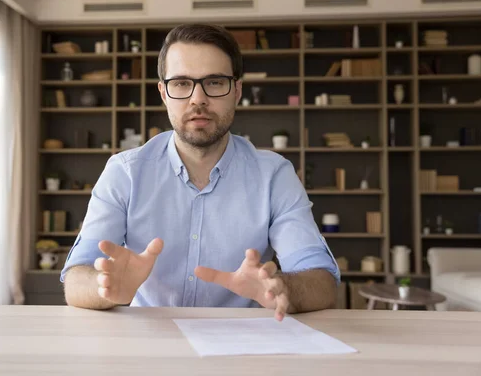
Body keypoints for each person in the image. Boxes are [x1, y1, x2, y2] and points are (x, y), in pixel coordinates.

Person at [61, 24, 340, 321]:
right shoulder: (124, 173)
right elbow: (77, 280)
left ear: (237, 91)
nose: (198, 99)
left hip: (241, 350)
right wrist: (105, 288)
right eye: (181, 83)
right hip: (148, 345)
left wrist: (283, 287)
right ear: (164, 93)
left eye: (215, 82)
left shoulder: (274, 176)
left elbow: (322, 282)